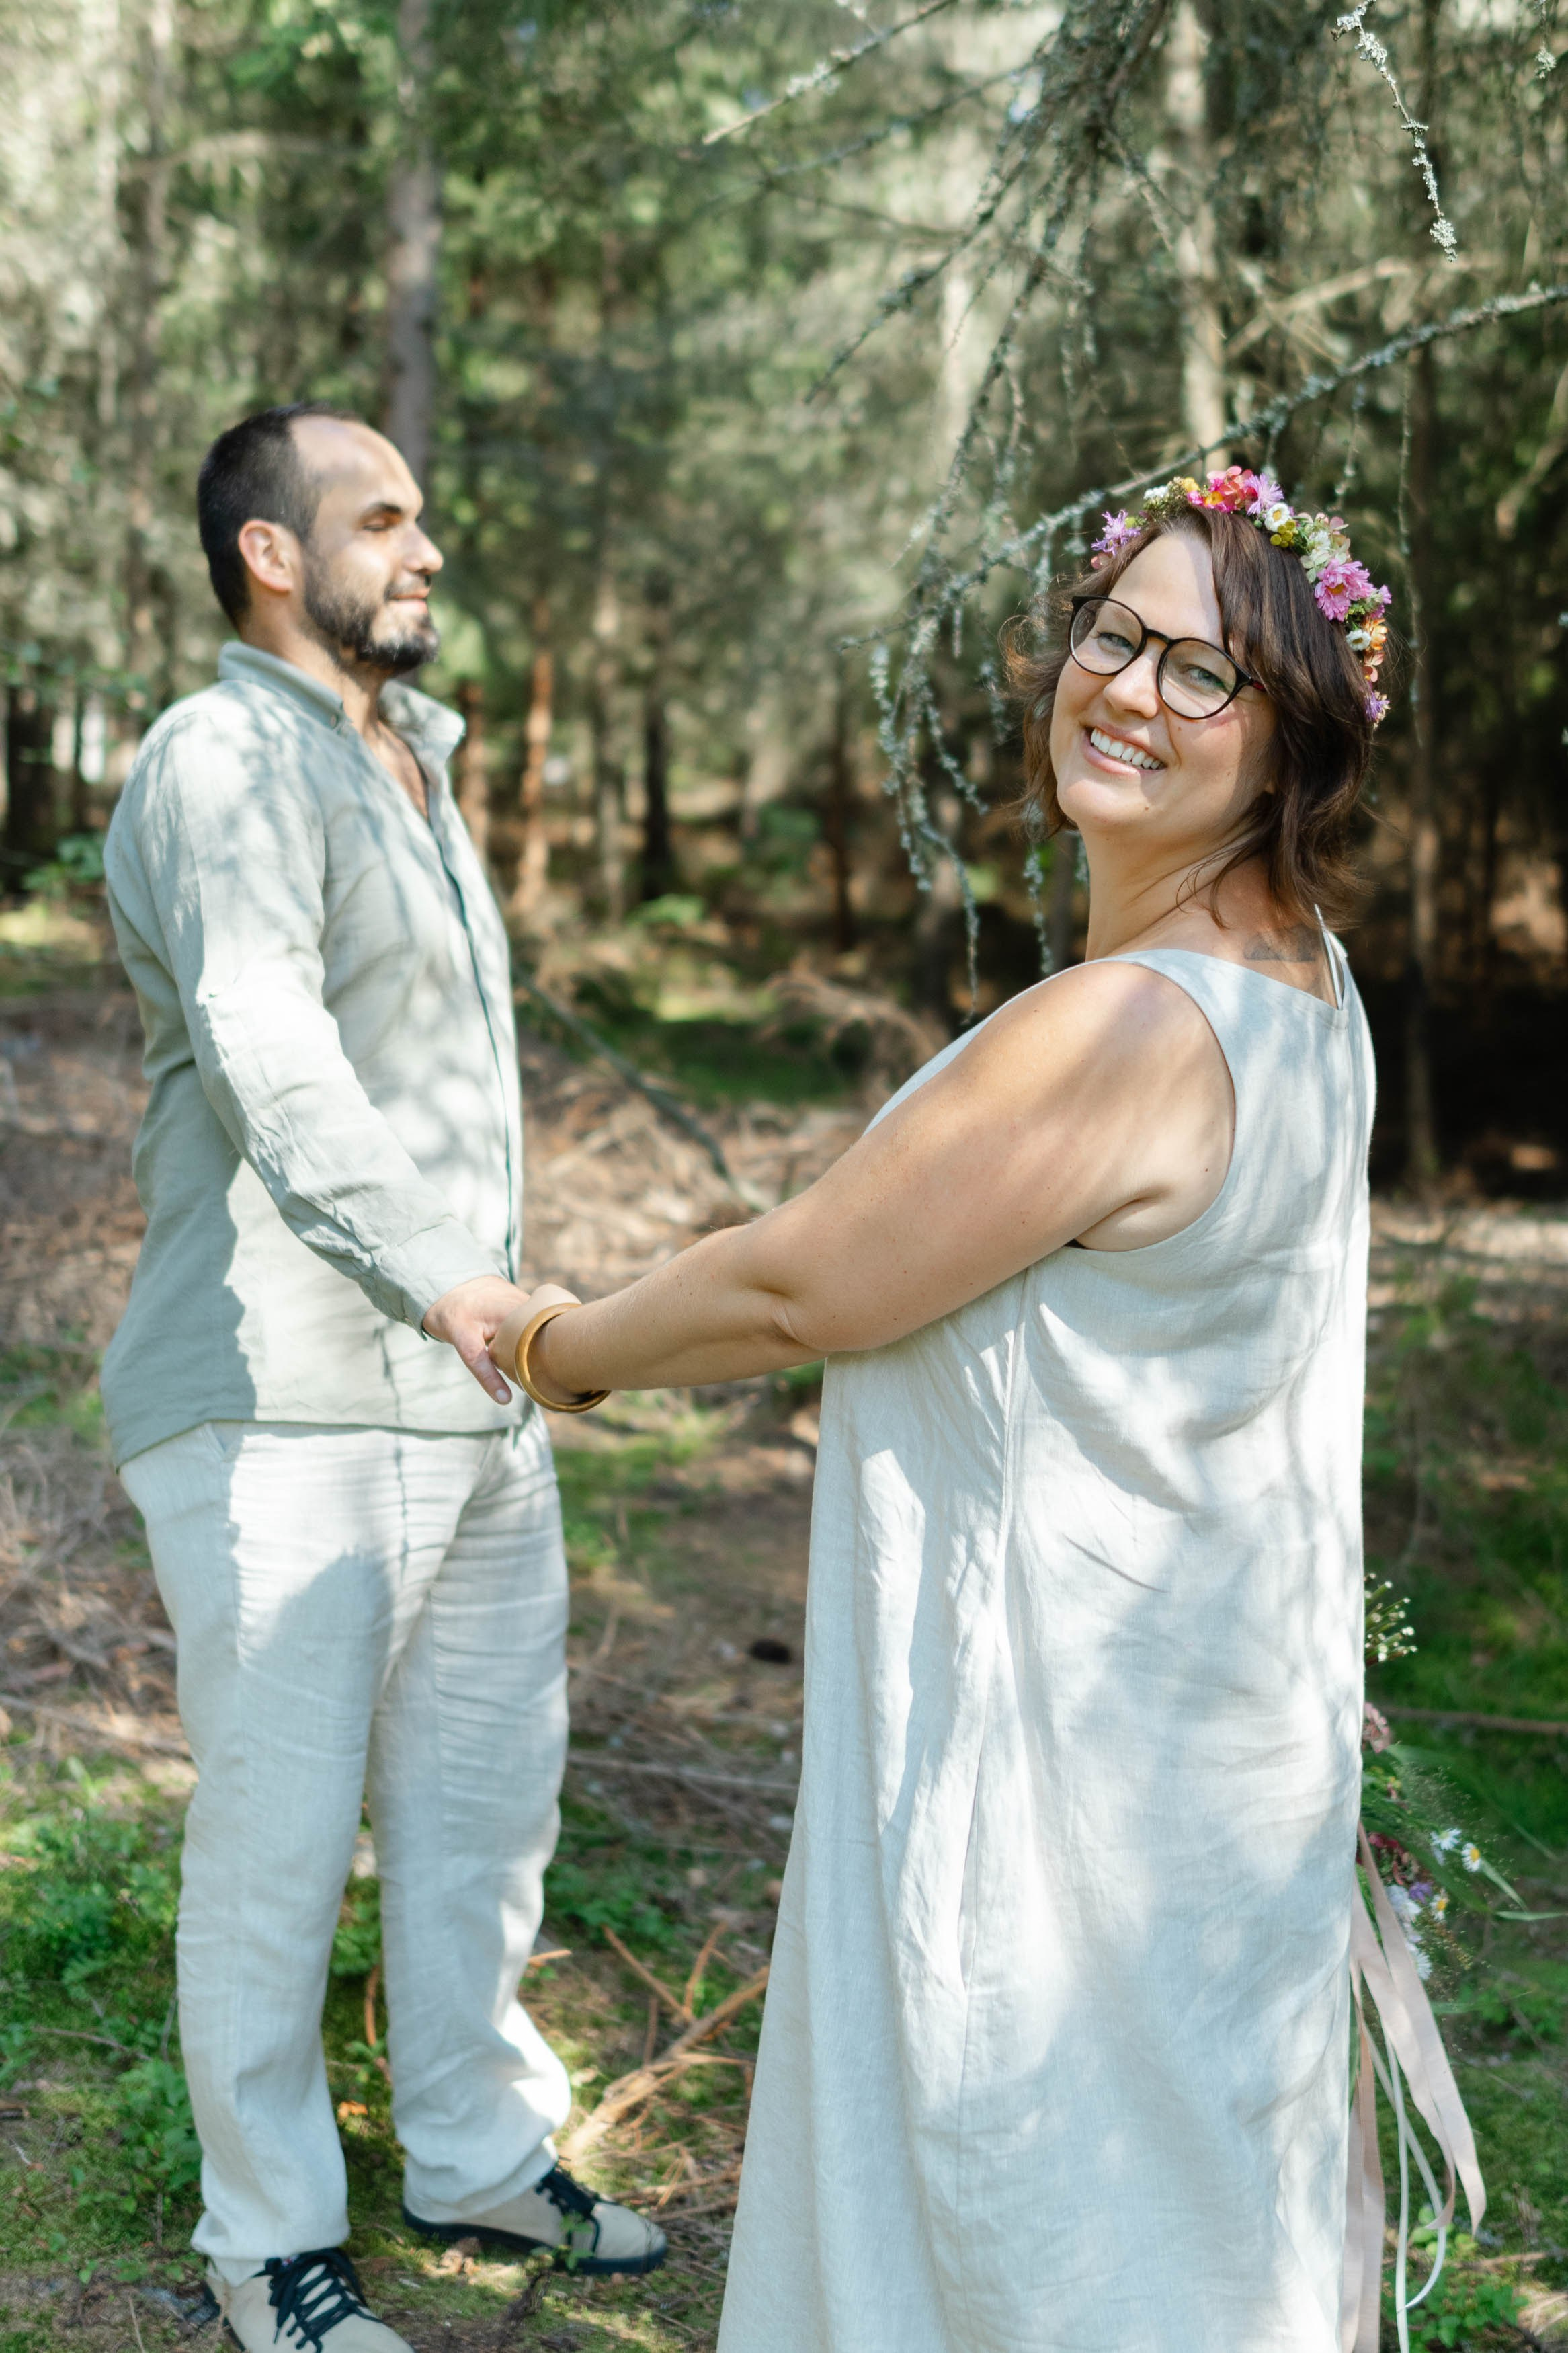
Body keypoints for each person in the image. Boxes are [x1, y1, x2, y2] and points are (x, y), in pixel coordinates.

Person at [493, 468, 1389, 2352]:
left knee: (1039, 2233)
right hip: (1201, 1746)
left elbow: (798, 1281)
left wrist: (554, 1344)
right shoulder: (1307, 987)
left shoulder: (1135, 1027)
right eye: (1114, 636)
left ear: (1291, 738)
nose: (1131, 691)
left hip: (1055, 1769)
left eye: (1205, 674)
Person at [103, 403, 665, 2353]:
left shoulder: (411, 759)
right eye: (386, 518)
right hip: (279, 1398)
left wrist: (484, 1325)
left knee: (483, 1803)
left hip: (468, 1394)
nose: (428, 549)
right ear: (273, 553)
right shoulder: (216, 761)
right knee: (276, 1838)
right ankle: (268, 2236)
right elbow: (272, 1057)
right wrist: (463, 1287)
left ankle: (477, 2151)